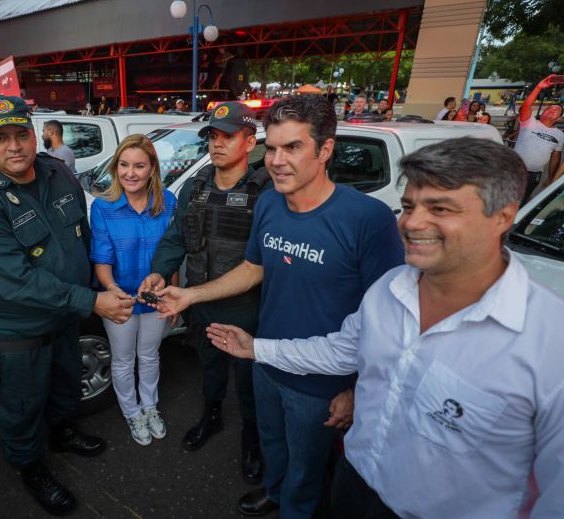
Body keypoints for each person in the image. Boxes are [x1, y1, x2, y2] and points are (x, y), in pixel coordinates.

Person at [208, 137, 564, 518]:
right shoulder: (390, 290)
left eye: (440, 208)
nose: (412, 223)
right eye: (409, 206)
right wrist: (256, 349)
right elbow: (341, 350)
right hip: (354, 484)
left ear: (504, 216)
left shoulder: (549, 343)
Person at [151, 95, 404, 517]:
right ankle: (274, 490)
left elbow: (392, 320)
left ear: (325, 150)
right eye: (272, 148)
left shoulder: (368, 219)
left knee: (309, 470)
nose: (277, 160)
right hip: (265, 357)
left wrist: (359, 389)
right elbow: (252, 269)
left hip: (322, 380)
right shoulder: (269, 203)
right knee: (274, 446)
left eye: (293, 147)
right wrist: (190, 294)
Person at [0, 96, 132, 516]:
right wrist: (92, 301)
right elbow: (18, 282)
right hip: (20, 328)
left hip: (65, 313)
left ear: (35, 133)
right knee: (23, 404)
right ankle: (29, 466)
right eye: (0, 137)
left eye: (21, 134)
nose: (14, 146)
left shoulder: (57, 171)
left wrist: (96, 286)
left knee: (66, 381)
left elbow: (79, 236)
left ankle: (62, 430)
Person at [139, 101, 270, 485]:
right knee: (209, 365)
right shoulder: (196, 187)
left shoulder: (266, 193)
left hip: (248, 308)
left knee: (248, 377)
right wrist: (159, 274)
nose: (217, 144)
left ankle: (252, 433)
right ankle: (211, 415)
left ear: (249, 142)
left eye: (227, 136)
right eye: (213, 136)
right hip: (200, 303)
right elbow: (175, 239)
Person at [90, 134, 178, 446]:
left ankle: (150, 407)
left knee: (150, 355)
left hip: (157, 300)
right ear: (116, 168)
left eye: (139, 165)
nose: (131, 173)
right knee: (124, 359)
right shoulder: (103, 207)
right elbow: (101, 259)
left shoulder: (169, 202)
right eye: (124, 165)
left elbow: (173, 251)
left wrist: (176, 297)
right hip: (120, 301)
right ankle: (132, 411)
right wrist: (113, 292)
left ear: (152, 168)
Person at [513, 75, 564, 202]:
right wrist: (539, 87)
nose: (552, 110)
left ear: (559, 118)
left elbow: (555, 158)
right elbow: (526, 106)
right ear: (543, 112)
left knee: (522, 202)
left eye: (556, 110)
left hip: (534, 175)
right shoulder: (530, 122)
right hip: (513, 170)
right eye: (549, 108)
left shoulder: (560, 135)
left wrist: (551, 177)